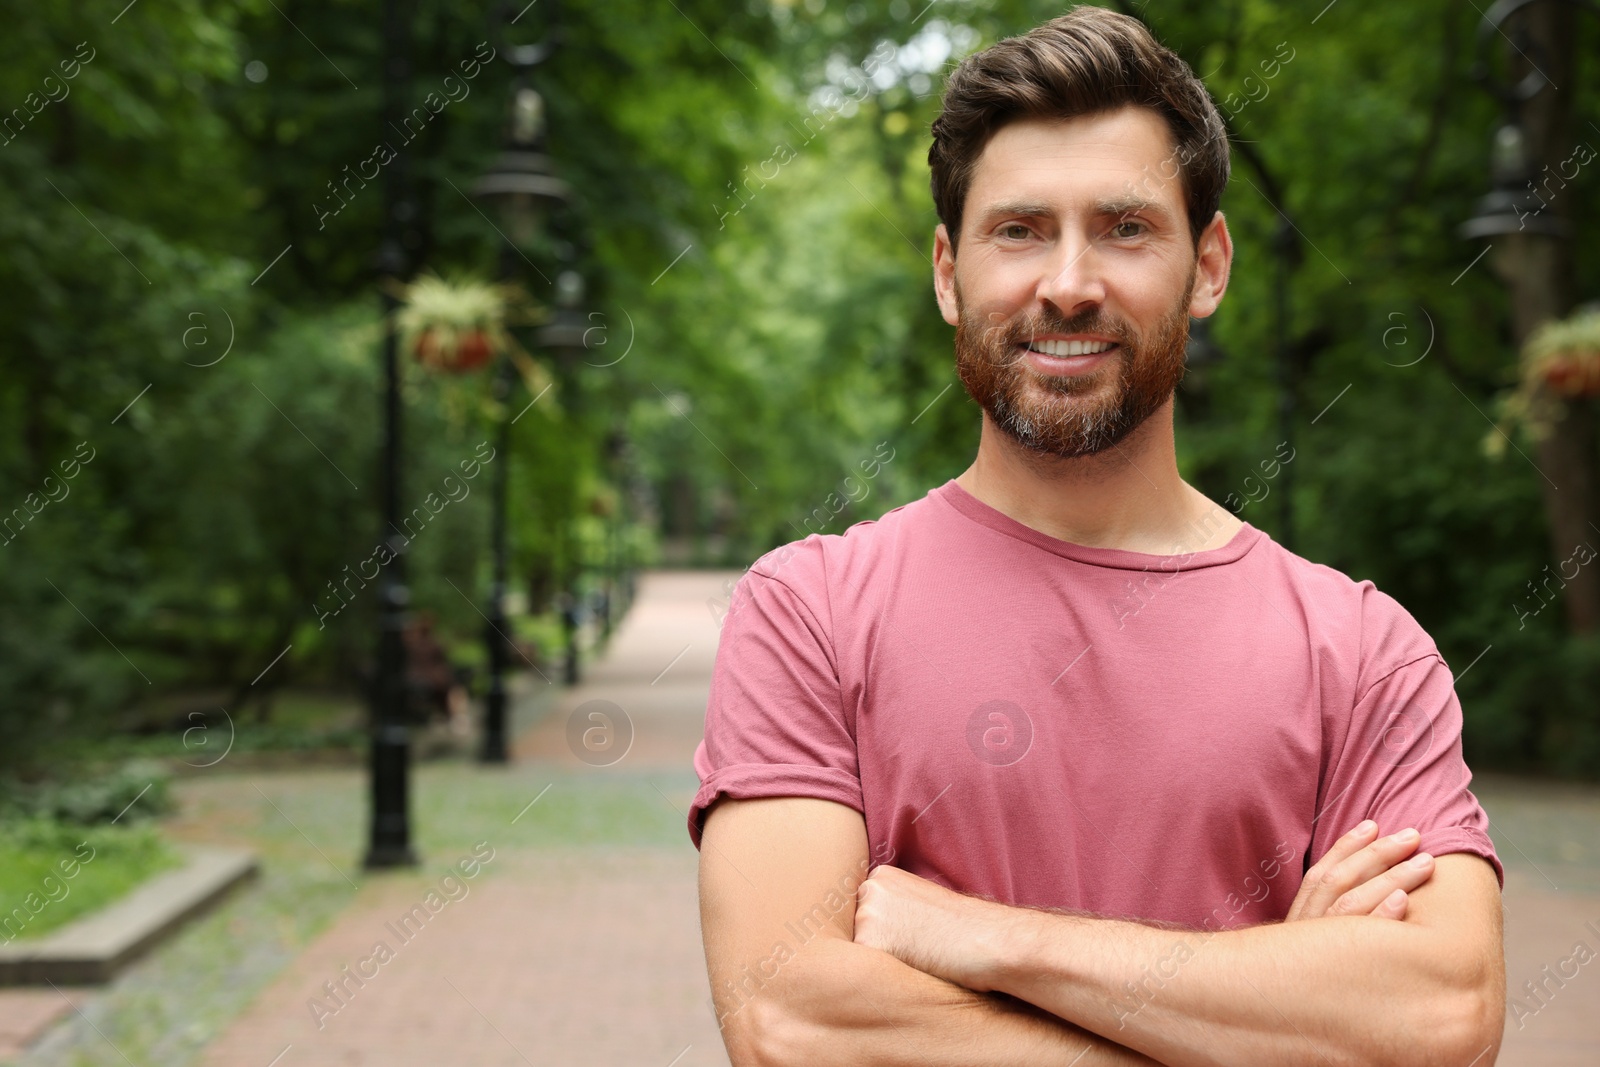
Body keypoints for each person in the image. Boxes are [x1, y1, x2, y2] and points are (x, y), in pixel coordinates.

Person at [690, 8, 1505, 1065]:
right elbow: (793, 1018)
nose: (1068, 283)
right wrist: (1259, 1017)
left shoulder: (1359, 649)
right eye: (1018, 229)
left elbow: (1440, 1018)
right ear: (947, 273)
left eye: (1124, 228)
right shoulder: (811, 610)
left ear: (1207, 266)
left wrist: (985, 940)